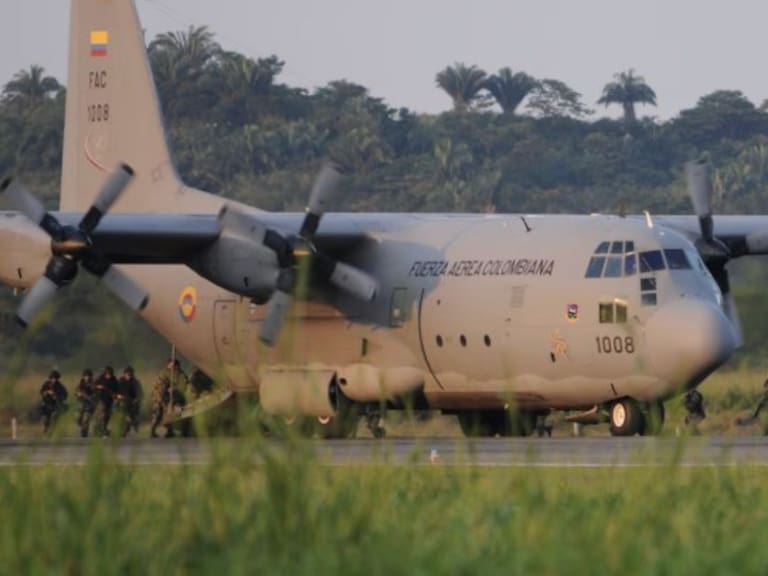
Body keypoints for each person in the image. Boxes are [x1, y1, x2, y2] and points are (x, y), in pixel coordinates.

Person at [150, 359, 189, 438]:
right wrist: (164, 390)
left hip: (176, 399)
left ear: (177, 366)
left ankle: (175, 431)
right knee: (157, 414)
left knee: (177, 414)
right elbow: (158, 385)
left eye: (174, 366)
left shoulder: (181, 375)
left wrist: (174, 389)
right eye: (170, 365)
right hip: (160, 397)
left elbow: (183, 386)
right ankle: (153, 431)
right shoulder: (164, 373)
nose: (172, 367)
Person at [93, 366, 119, 437]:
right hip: (101, 399)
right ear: (105, 373)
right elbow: (93, 386)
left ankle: (102, 429)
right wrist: (98, 387)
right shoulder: (100, 378)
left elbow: (117, 389)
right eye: (107, 374)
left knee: (107, 415)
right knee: (102, 415)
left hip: (109, 400)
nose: (108, 375)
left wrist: (116, 395)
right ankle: (100, 429)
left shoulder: (114, 380)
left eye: (110, 374)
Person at [40, 370, 68, 435]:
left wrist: (56, 396)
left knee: (54, 417)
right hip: (47, 405)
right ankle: (46, 429)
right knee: (45, 420)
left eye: (55, 378)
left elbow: (64, 396)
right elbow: (41, 392)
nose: (54, 380)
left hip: (55, 405)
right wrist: (47, 392)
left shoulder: (60, 386)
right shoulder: (46, 384)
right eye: (52, 378)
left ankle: (52, 431)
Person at [118, 366, 143, 437]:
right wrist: (118, 396)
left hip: (132, 402)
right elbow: (115, 391)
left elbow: (140, 392)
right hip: (123, 402)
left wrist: (137, 399)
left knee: (133, 418)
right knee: (123, 417)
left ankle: (133, 428)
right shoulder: (120, 382)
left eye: (131, 375)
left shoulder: (135, 382)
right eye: (128, 375)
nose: (129, 376)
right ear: (124, 374)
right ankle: (123, 431)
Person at [75, 369, 96, 438]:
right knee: (78, 419)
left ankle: (84, 432)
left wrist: (88, 396)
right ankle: (83, 428)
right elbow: (76, 391)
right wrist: (79, 394)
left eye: (88, 376)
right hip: (81, 404)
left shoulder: (93, 384)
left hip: (89, 404)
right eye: (85, 376)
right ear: (83, 376)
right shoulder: (80, 383)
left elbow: (95, 394)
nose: (87, 377)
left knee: (86, 419)